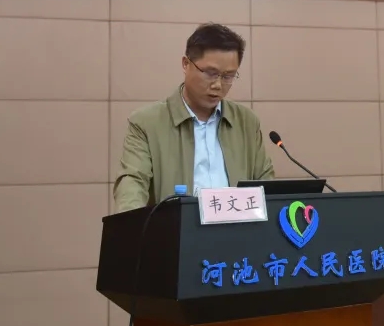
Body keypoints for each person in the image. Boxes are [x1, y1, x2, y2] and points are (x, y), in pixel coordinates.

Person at [113, 23, 274, 212]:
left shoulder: (246, 122)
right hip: (175, 229)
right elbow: (132, 184)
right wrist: (131, 221)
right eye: (210, 73)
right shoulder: (146, 123)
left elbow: (267, 186)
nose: (218, 84)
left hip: (238, 228)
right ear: (186, 64)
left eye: (228, 76)